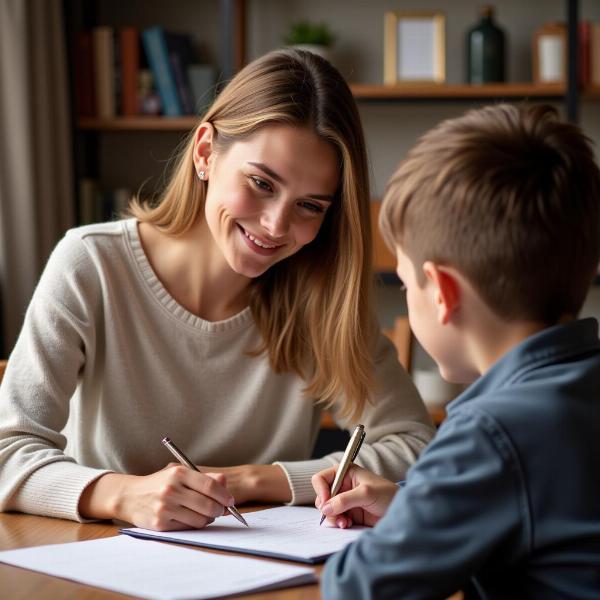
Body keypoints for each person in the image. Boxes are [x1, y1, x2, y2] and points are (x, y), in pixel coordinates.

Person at [0, 49, 434, 530]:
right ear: (205, 152)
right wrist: (122, 495)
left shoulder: (320, 296)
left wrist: (254, 480)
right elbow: (7, 451)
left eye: (310, 205)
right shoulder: (91, 265)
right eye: (261, 183)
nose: (275, 225)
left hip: (270, 570)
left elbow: (414, 443)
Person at [313, 104, 600, 598]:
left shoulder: (490, 434)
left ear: (441, 292)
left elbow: (360, 587)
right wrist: (409, 503)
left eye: (405, 285)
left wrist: (421, 507)